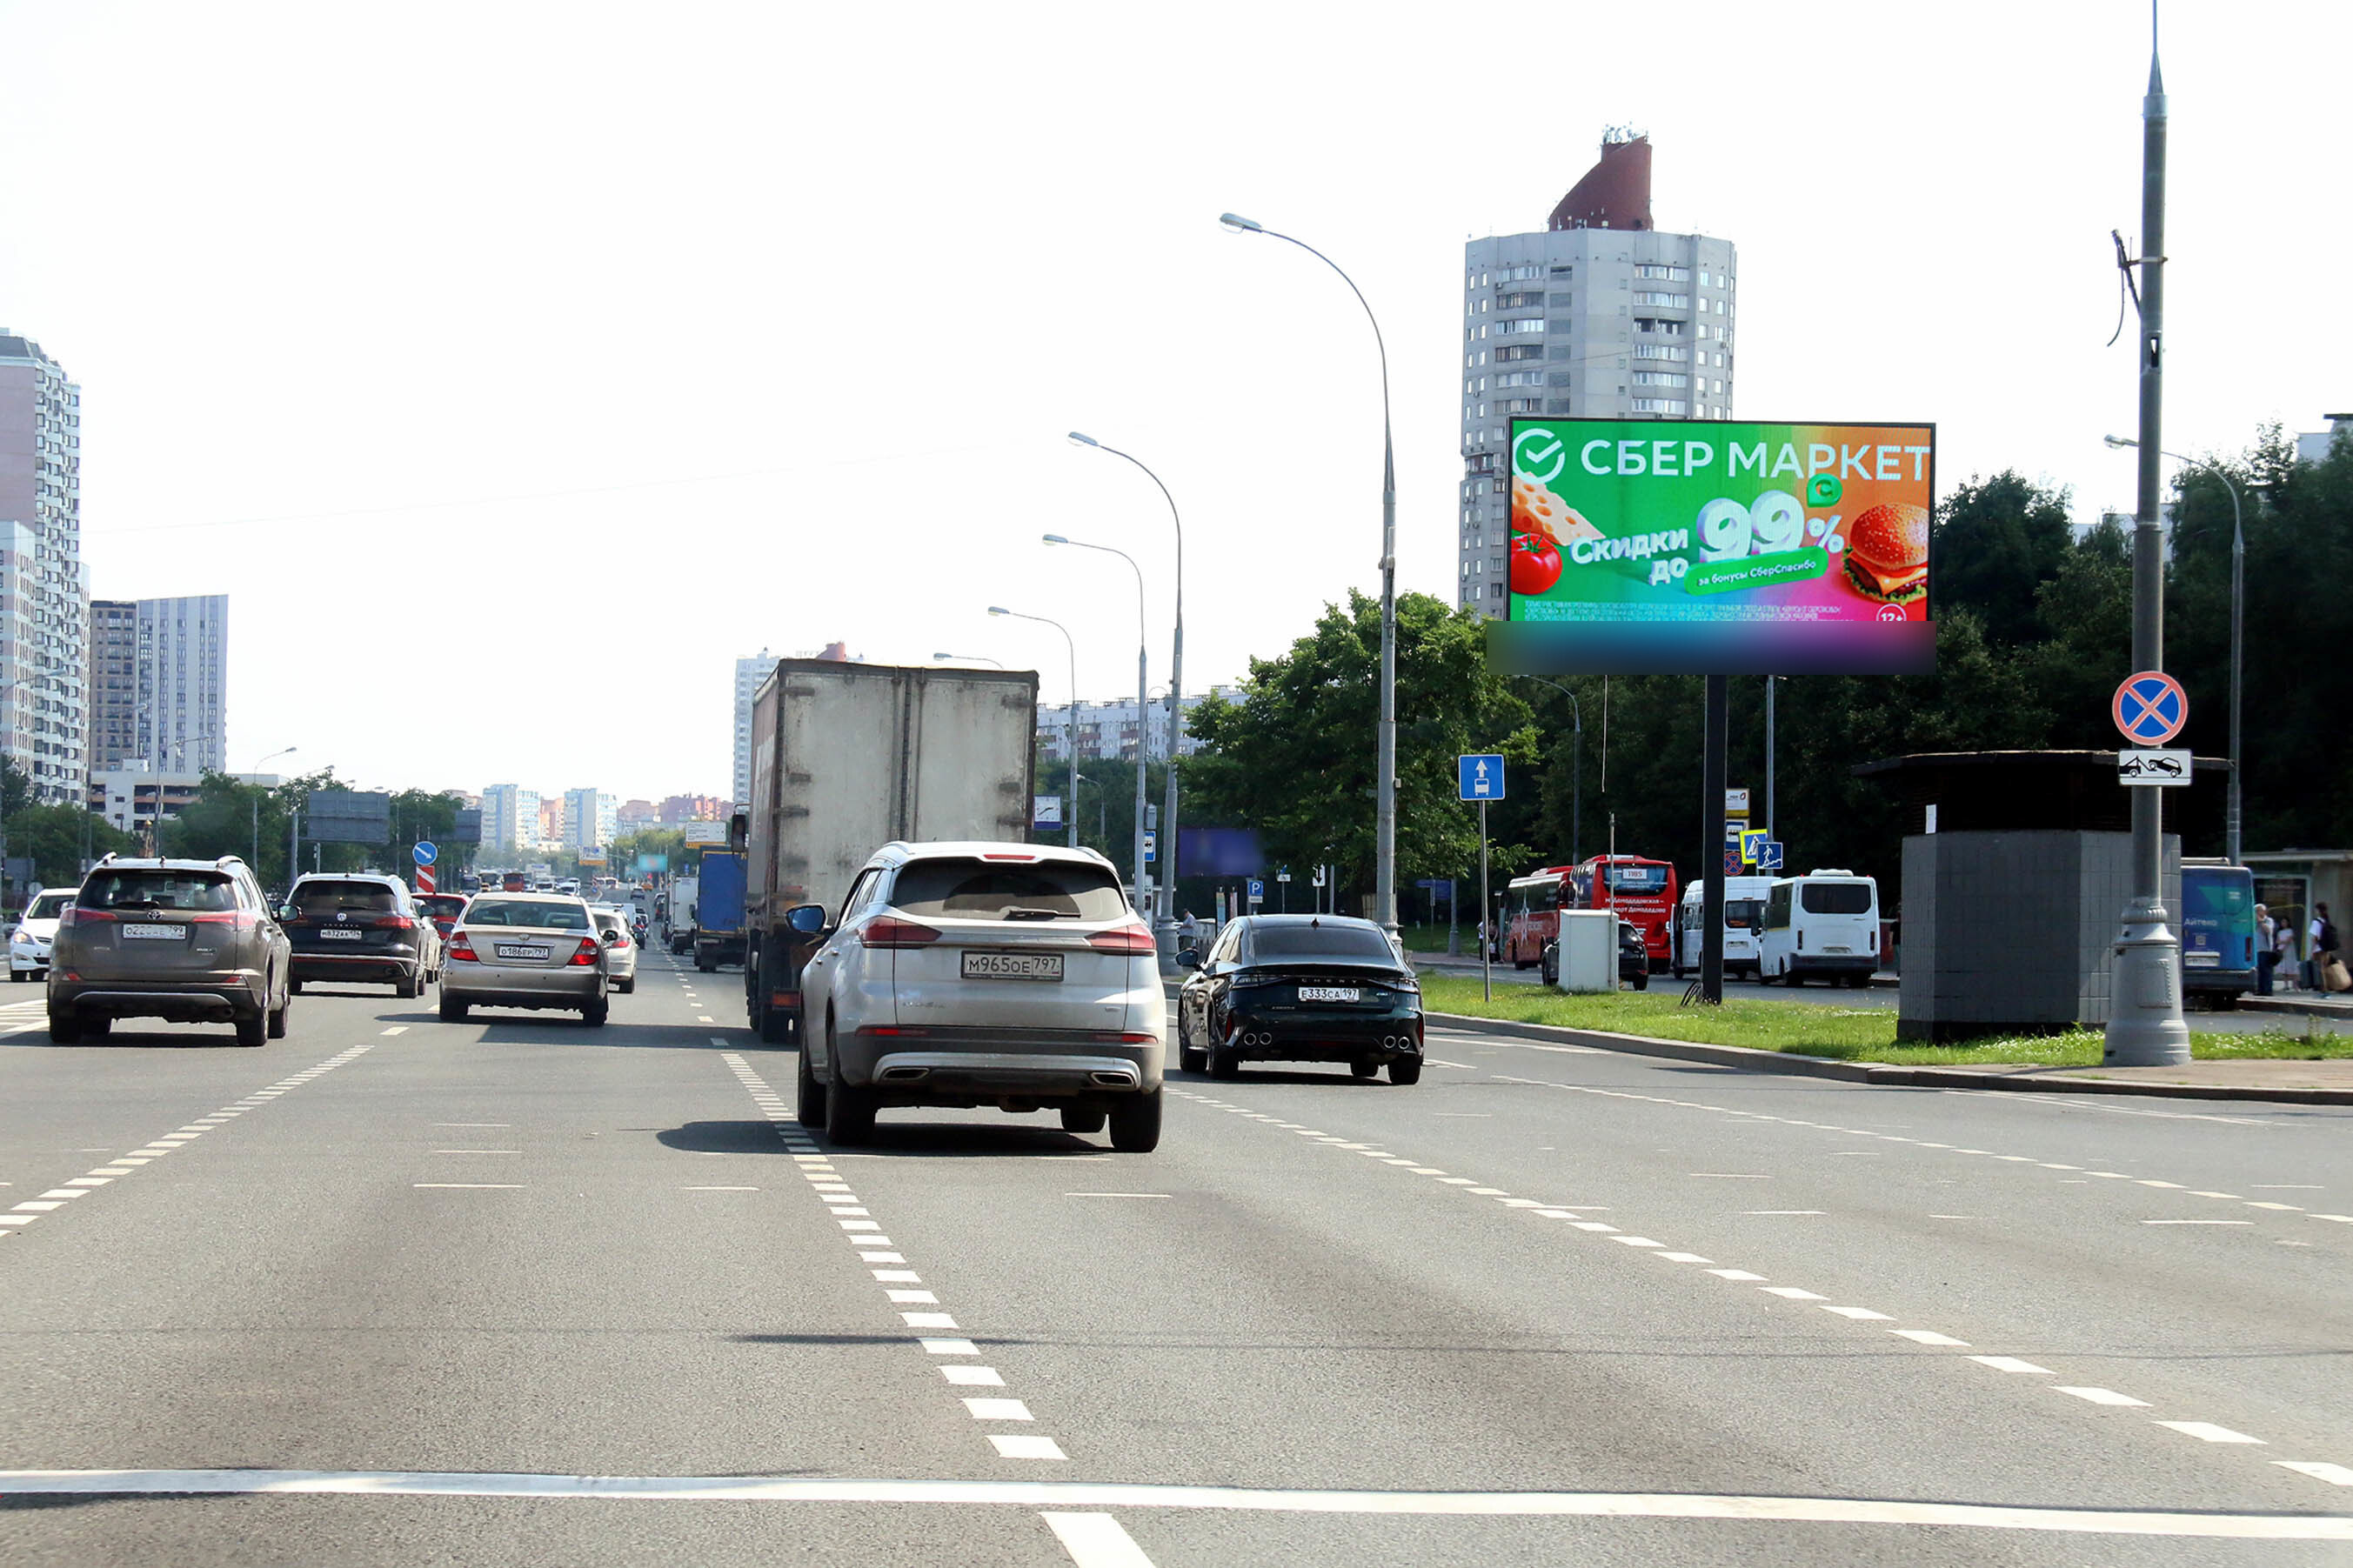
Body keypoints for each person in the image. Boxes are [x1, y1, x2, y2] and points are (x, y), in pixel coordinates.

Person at [2310, 903, 2338, 991]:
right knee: (2325, 969)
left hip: (2319, 948)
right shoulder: (2326, 921)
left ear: (2318, 910)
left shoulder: (2316, 922)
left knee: (2321, 969)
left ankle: (2324, 990)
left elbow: (2315, 937)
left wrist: (2312, 950)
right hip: (2327, 949)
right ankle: (2328, 988)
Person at [2256, 903, 2278, 996]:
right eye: (2256, 911)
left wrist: (2261, 921)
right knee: (2259, 971)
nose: (2257, 913)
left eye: (2258, 911)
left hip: (2266, 949)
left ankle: (2268, 990)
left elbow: (2268, 931)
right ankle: (2260, 990)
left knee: (2266, 971)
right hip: (2256, 949)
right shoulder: (2254, 922)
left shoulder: (2268, 920)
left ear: (2264, 911)